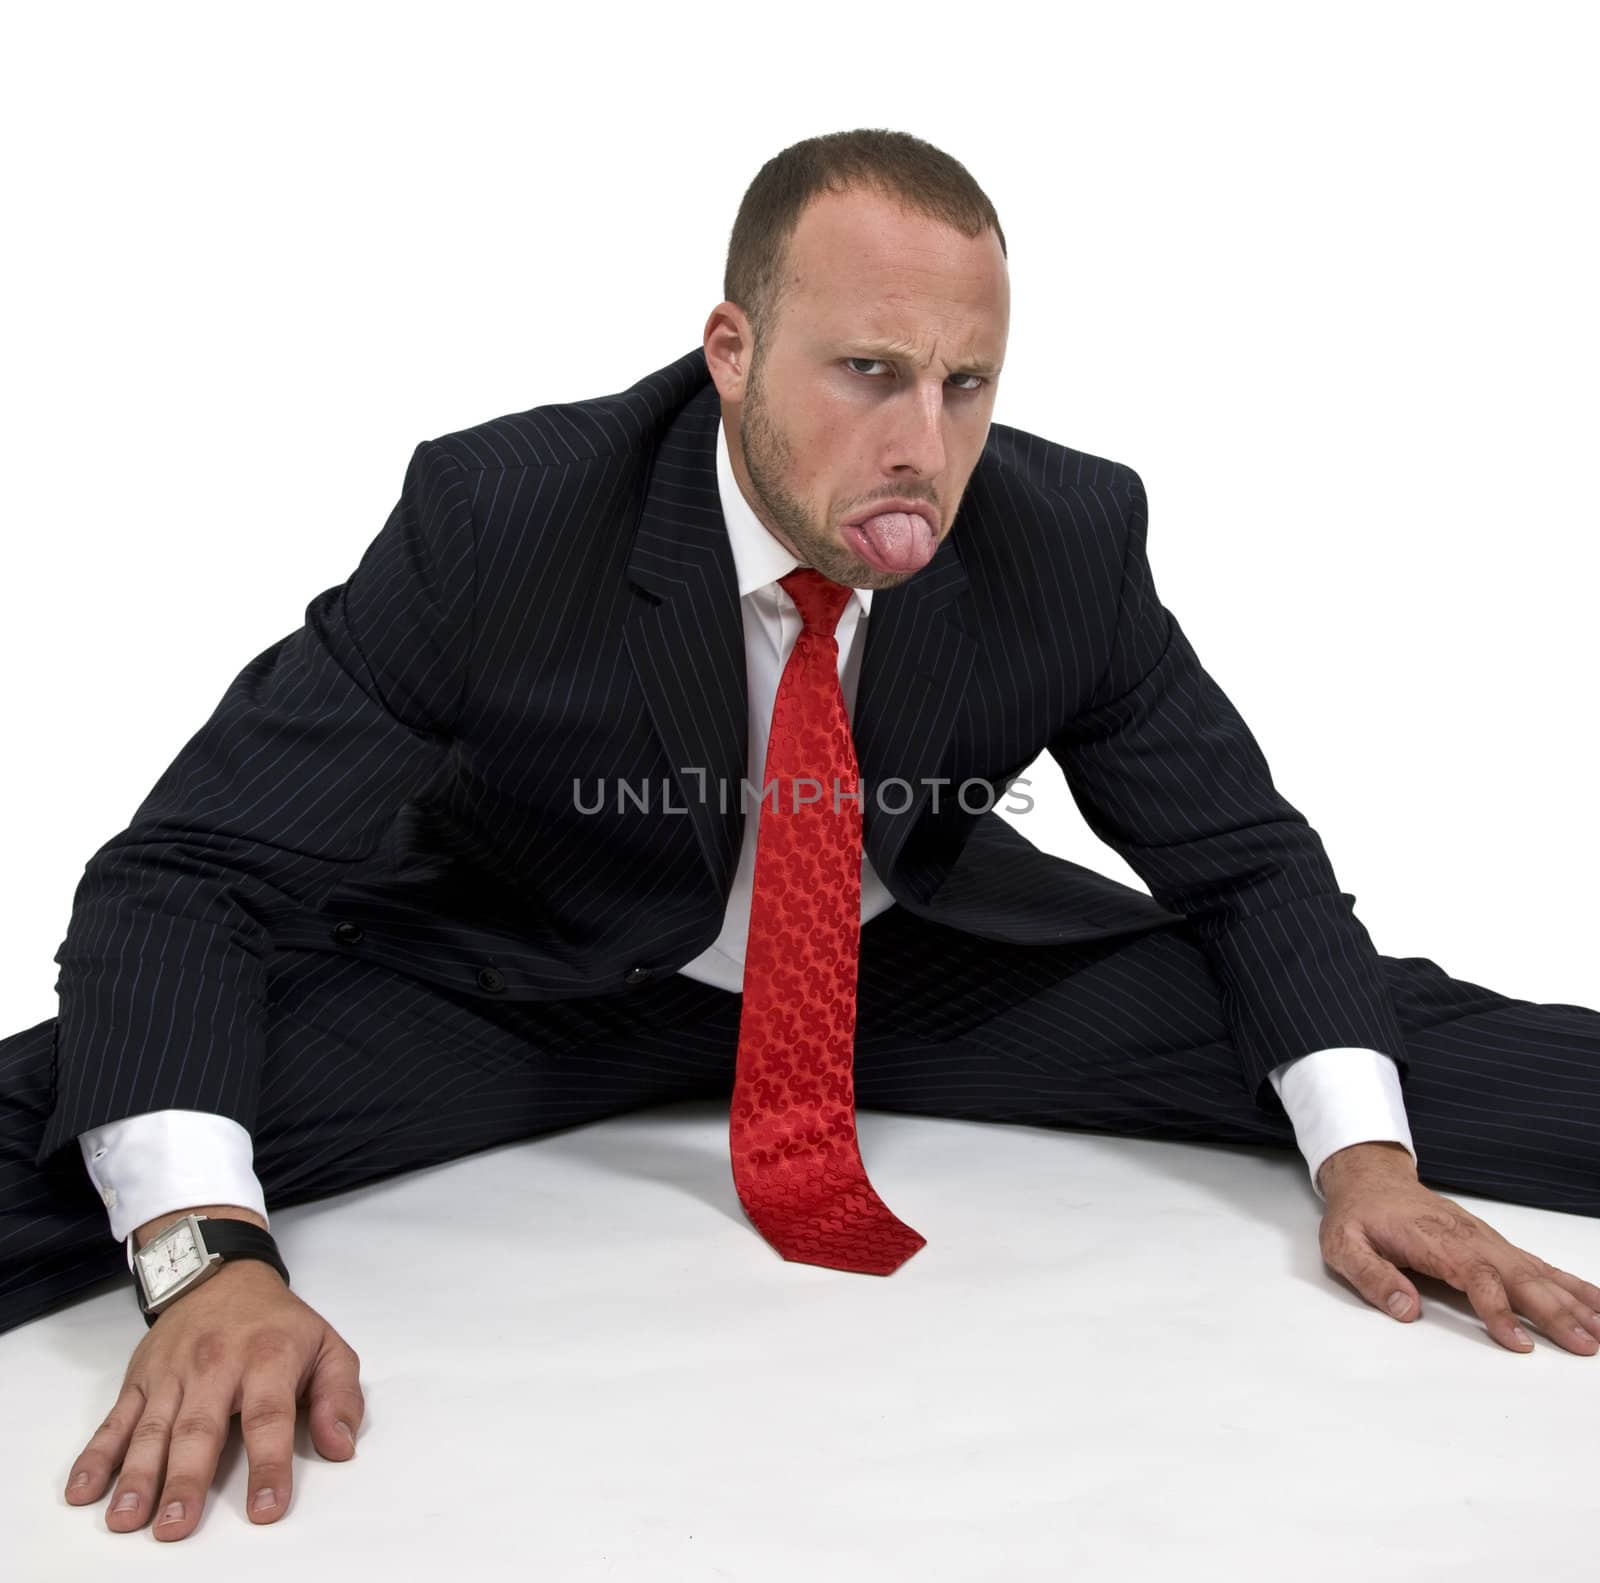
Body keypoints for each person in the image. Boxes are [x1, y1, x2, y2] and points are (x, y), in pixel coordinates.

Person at [3, 127, 1597, 1543]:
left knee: (1369, 1058)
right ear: (733, 349)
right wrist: (207, 1266)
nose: (923, 444)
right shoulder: (504, 514)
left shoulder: (1067, 533)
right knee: (109, 1119)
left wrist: (1369, 1165)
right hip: (532, 967)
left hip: (909, 954)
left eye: (964, 386)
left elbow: (1243, 859)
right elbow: (188, 873)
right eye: (869, 372)